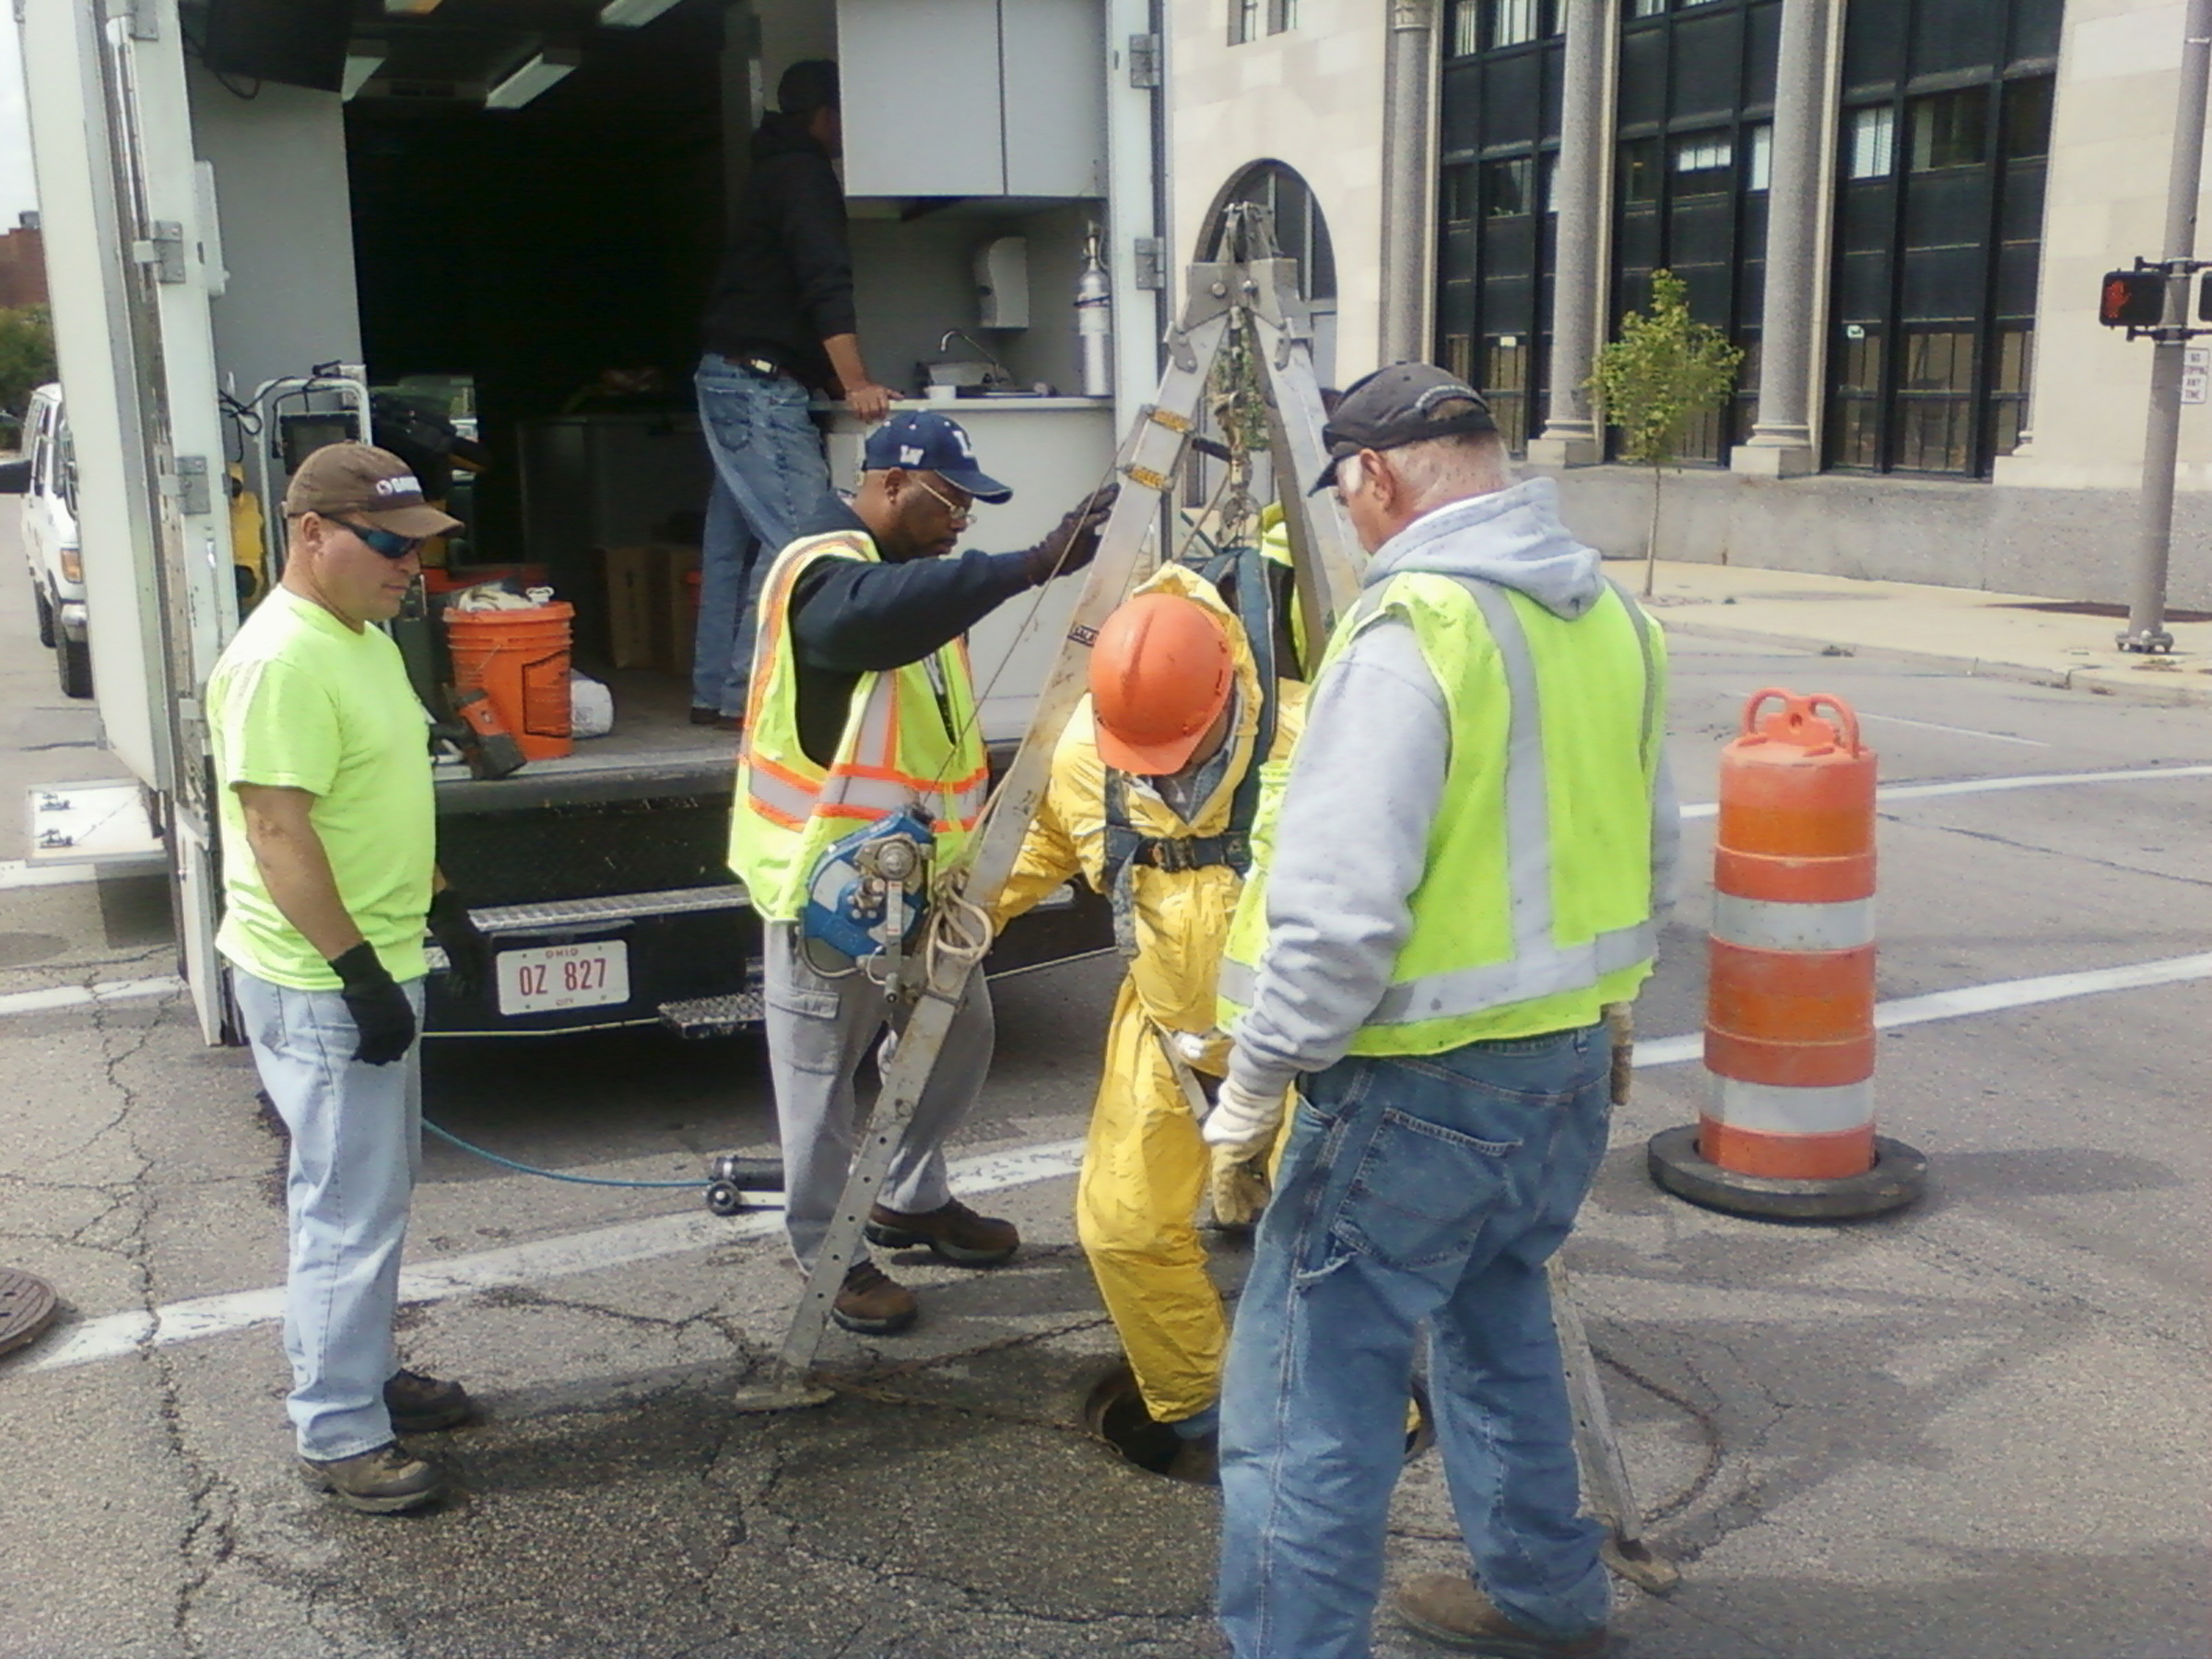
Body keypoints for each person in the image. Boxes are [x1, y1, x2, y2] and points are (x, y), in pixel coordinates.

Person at [1203, 364, 1679, 1659]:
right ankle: (1544, 1597)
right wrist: (1611, 1008)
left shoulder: (1417, 625)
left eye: (1348, 498)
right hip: (1567, 1066)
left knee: (1311, 1398)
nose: (1353, 521)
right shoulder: (1609, 619)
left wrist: (1254, 1086)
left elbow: (1342, 908)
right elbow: (1651, 857)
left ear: (1373, 475)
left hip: (1417, 1088)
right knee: (1496, 1317)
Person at [728, 409, 1116, 1335]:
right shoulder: (819, 567)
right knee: (822, 1082)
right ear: (891, 483)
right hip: (831, 888)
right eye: (949, 503)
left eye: (969, 513)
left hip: (917, 883)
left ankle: (908, 1195)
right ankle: (832, 1255)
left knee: (957, 1035)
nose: (958, 524)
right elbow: (863, 628)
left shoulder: (917, 583)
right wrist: (1024, 566)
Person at [207, 443, 497, 1514]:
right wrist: (355, 973)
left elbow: (376, 799)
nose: (406, 565)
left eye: (415, 546)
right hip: (323, 979)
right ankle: (337, 1431)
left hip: (375, 955)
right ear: (312, 534)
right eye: (386, 543)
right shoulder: (281, 660)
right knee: (346, 1210)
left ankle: (366, 1376)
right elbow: (278, 832)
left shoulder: (363, 637)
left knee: (370, 1195)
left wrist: (440, 903)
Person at [994, 558, 1303, 1483]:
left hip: (1303, 1048)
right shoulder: (1088, 748)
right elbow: (1047, 837)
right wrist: (958, 910)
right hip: (1169, 1031)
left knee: (1327, 1255)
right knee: (1123, 1225)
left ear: (1225, 693)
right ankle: (1204, 1404)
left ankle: (1353, 1422)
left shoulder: (1311, 744)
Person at [691, 57, 893, 731]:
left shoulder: (772, 169)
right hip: (758, 384)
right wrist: (858, 383)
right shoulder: (806, 177)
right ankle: (753, 698)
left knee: (734, 550)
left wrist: (838, 379)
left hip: (729, 375)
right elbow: (823, 285)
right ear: (827, 116)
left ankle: (715, 691)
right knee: (798, 545)